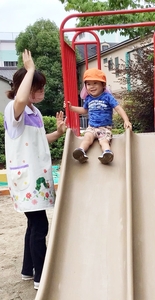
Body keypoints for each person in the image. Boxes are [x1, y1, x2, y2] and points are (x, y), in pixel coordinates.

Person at [4, 49, 66, 290]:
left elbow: (40, 140)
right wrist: (30, 69)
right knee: (40, 226)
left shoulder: (34, 112)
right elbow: (19, 99)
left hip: (35, 179)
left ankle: (28, 270)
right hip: (27, 180)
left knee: (34, 225)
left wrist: (58, 133)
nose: (41, 92)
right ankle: (42, 276)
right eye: (37, 88)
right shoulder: (14, 109)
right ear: (26, 88)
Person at [66, 68, 132, 164]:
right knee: (87, 138)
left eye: (95, 83)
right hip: (91, 127)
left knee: (104, 141)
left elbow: (118, 108)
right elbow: (84, 110)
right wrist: (71, 108)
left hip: (104, 127)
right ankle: (80, 151)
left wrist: (126, 120)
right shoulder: (88, 98)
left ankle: (107, 153)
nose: (91, 86)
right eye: (88, 84)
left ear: (103, 85)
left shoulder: (107, 97)